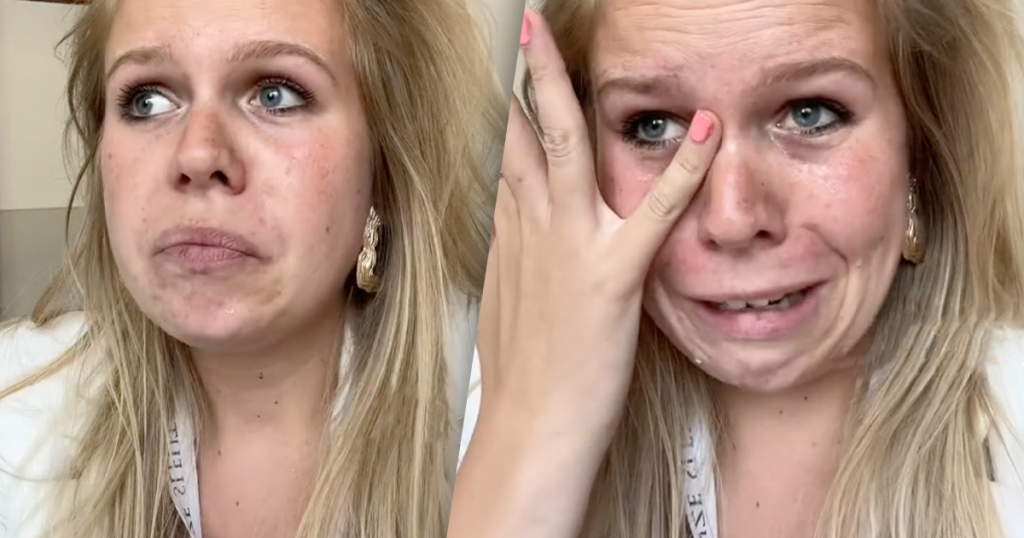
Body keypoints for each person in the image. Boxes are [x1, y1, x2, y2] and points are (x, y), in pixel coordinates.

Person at [451, 3, 1024, 538]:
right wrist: (534, 441)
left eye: (810, 113)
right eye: (654, 126)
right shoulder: (467, 430)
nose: (732, 219)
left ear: (920, 150)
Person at [0, 0, 505, 536]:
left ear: (382, 170)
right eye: (148, 100)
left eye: (275, 95)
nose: (198, 155)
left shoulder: (499, 428)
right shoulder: (15, 412)